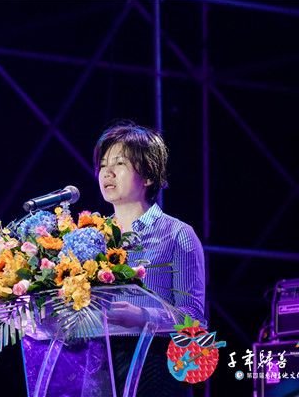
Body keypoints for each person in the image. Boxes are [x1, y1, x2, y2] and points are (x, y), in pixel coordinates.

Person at [93, 120, 206, 396]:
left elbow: (194, 319)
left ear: (148, 176)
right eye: (103, 164)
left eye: (119, 163)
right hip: (97, 364)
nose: (107, 172)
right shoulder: (92, 238)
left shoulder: (177, 234)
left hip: (154, 363)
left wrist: (142, 316)